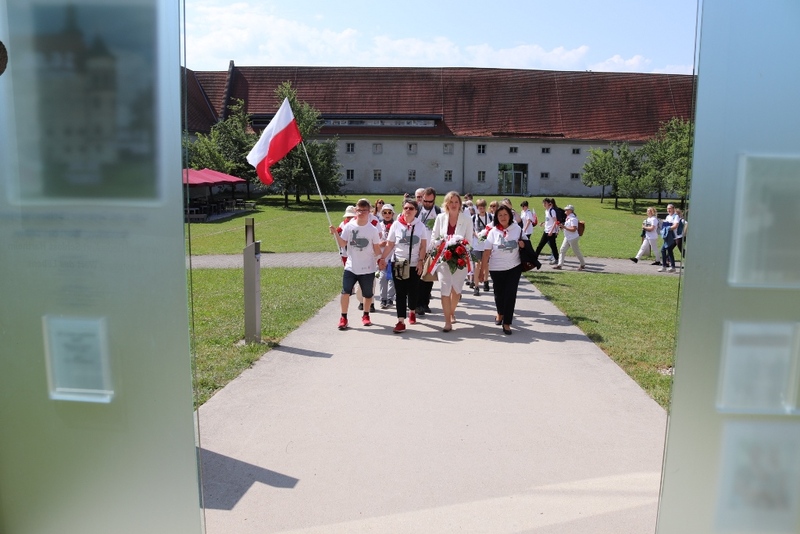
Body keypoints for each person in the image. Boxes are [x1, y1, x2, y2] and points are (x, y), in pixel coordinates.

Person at [329, 199, 383, 330]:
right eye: (359, 210)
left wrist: (380, 260)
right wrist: (336, 233)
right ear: (355, 211)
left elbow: (376, 248)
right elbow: (343, 244)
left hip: (368, 268)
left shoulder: (372, 229)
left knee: (368, 294)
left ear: (369, 211)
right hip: (351, 266)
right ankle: (343, 317)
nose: (362, 213)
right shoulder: (349, 226)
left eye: (364, 210)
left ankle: (366, 315)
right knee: (345, 292)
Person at [379, 200, 428, 333]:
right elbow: (390, 244)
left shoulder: (420, 226)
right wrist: (383, 258)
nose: (408, 210)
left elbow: (423, 245)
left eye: (411, 208)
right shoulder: (396, 225)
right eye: (405, 208)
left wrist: (421, 261)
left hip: (414, 264)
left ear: (416, 211)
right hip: (399, 263)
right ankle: (401, 321)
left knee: (413, 291)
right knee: (400, 293)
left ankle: (412, 310)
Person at [430, 191, 474, 332]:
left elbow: (470, 242)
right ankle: (447, 321)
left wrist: (459, 245)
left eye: (456, 202)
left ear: (460, 204)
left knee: (456, 290)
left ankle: (452, 311)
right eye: (451, 202)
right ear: (446, 204)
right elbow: (433, 238)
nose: (453, 205)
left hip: (460, 259)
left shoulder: (467, 219)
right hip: (443, 259)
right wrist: (443, 243)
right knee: (444, 289)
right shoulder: (440, 218)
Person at [478, 204, 524, 335]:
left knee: (510, 294)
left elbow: (526, 243)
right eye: (500, 215)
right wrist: (482, 271)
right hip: (496, 268)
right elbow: (486, 252)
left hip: (514, 267)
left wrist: (523, 244)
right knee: (499, 293)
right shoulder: (493, 232)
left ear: (510, 216)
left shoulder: (517, 229)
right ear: (496, 217)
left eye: (505, 215)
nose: (503, 217)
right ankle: (500, 313)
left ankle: (507, 322)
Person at [415, 187, 440, 316]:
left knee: (428, 278)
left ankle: (425, 304)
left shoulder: (438, 212)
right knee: (418, 278)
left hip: (431, 250)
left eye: (430, 202)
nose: (427, 204)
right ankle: (417, 304)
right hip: (417, 250)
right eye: (425, 201)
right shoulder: (416, 210)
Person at [471, 198, 493, 295]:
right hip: (476, 244)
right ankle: (476, 286)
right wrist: (476, 235)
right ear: (477, 208)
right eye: (480, 208)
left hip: (487, 244)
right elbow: (471, 229)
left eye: (483, 207)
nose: (482, 210)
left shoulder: (490, 217)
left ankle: (485, 281)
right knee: (477, 265)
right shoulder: (473, 218)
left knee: (486, 264)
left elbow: (493, 227)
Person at [553, 205, 585, 270]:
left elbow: (574, 229)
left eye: (566, 210)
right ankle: (560, 265)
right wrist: (562, 227)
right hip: (567, 237)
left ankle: (582, 264)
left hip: (573, 238)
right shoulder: (568, 218)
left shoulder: (573, 219)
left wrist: (564, 227)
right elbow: (568, 228)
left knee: (576, 251)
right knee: (562, 250)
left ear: (570, 211)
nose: (565, 211)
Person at [377, 204, 396, 309]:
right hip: (383, 255)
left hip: (394, 255)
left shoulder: (396, 225)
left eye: (389, 212)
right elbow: (375, 242)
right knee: (383, 277)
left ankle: (390, 298)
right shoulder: (379, 226)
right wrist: (381, 244)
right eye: (385, 212)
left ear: (393, 214)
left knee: (392, 278)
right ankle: (383, 298)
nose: (387, 214)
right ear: (381, 214)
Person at [535, 197, 560, 264]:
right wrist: (543, 224)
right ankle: (534, 258)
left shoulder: (552, 211)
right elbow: (548, 221)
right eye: (543, 203)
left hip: (551, 232)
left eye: (545, 203)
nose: (544, 204)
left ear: (549, 203)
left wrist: (551, 231)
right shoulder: (546, 211)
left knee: (553, 246)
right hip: (546, 231)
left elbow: (555, 221)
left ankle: (556, 259)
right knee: (540, 245)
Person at [659, 203, 681, 272]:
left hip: (674, 237)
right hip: (668, 236)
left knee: (665, 250)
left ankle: (667, 266)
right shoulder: (668, 217)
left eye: (670, 208)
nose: (668, 210)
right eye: (667, 209)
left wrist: (668, 228)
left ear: (673, 209)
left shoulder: (676, 216)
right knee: (666, 250)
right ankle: (669, 266)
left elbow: (675, 225)